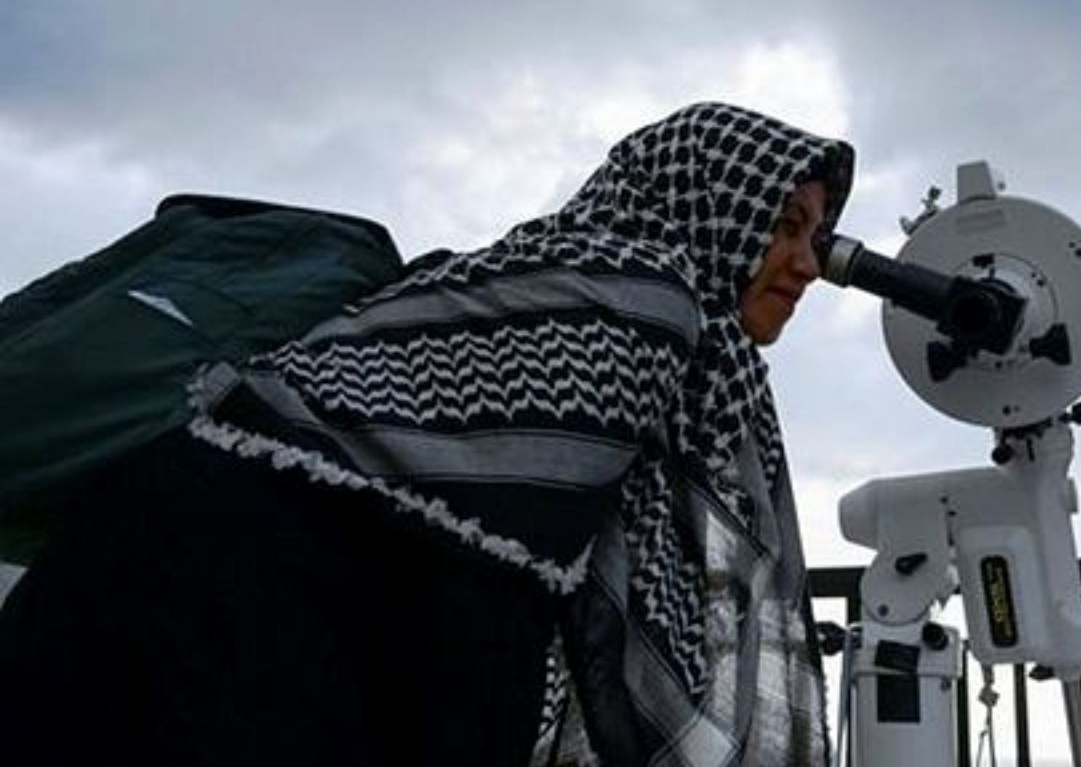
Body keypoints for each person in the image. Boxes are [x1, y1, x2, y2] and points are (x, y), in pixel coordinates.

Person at [0, 101, 854, 767]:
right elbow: (491, 575)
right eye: (782, 226)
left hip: (195, 614)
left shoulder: (576, 296)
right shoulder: (636, 299)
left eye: (816, 235)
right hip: (202, 615)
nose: (809, 264)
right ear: (710, 208)